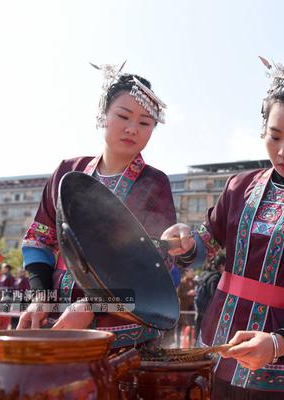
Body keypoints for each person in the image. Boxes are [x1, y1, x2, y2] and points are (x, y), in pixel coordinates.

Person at [162, 60, 284, 399]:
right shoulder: (240, 187)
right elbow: (202, 247)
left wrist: (279, 342)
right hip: (220, 345)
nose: (283, 151)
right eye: (274, 136)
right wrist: (184, 241)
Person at [17, 63, 177, 349]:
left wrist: (92, 306)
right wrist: (40, 296)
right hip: (59, 320)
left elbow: (155, 265)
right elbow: (40, 239)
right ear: (103, 115)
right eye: (123, 116)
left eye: (145, 123)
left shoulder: (154, 184)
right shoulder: (68, 171)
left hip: (121, 333)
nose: (132, 129)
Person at [194, 253, 225, 339]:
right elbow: (215, 296)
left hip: (200, 310)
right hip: (209, 313)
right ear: (221, 265)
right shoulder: (215, 278)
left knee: (199, 337)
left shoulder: (205, 274)